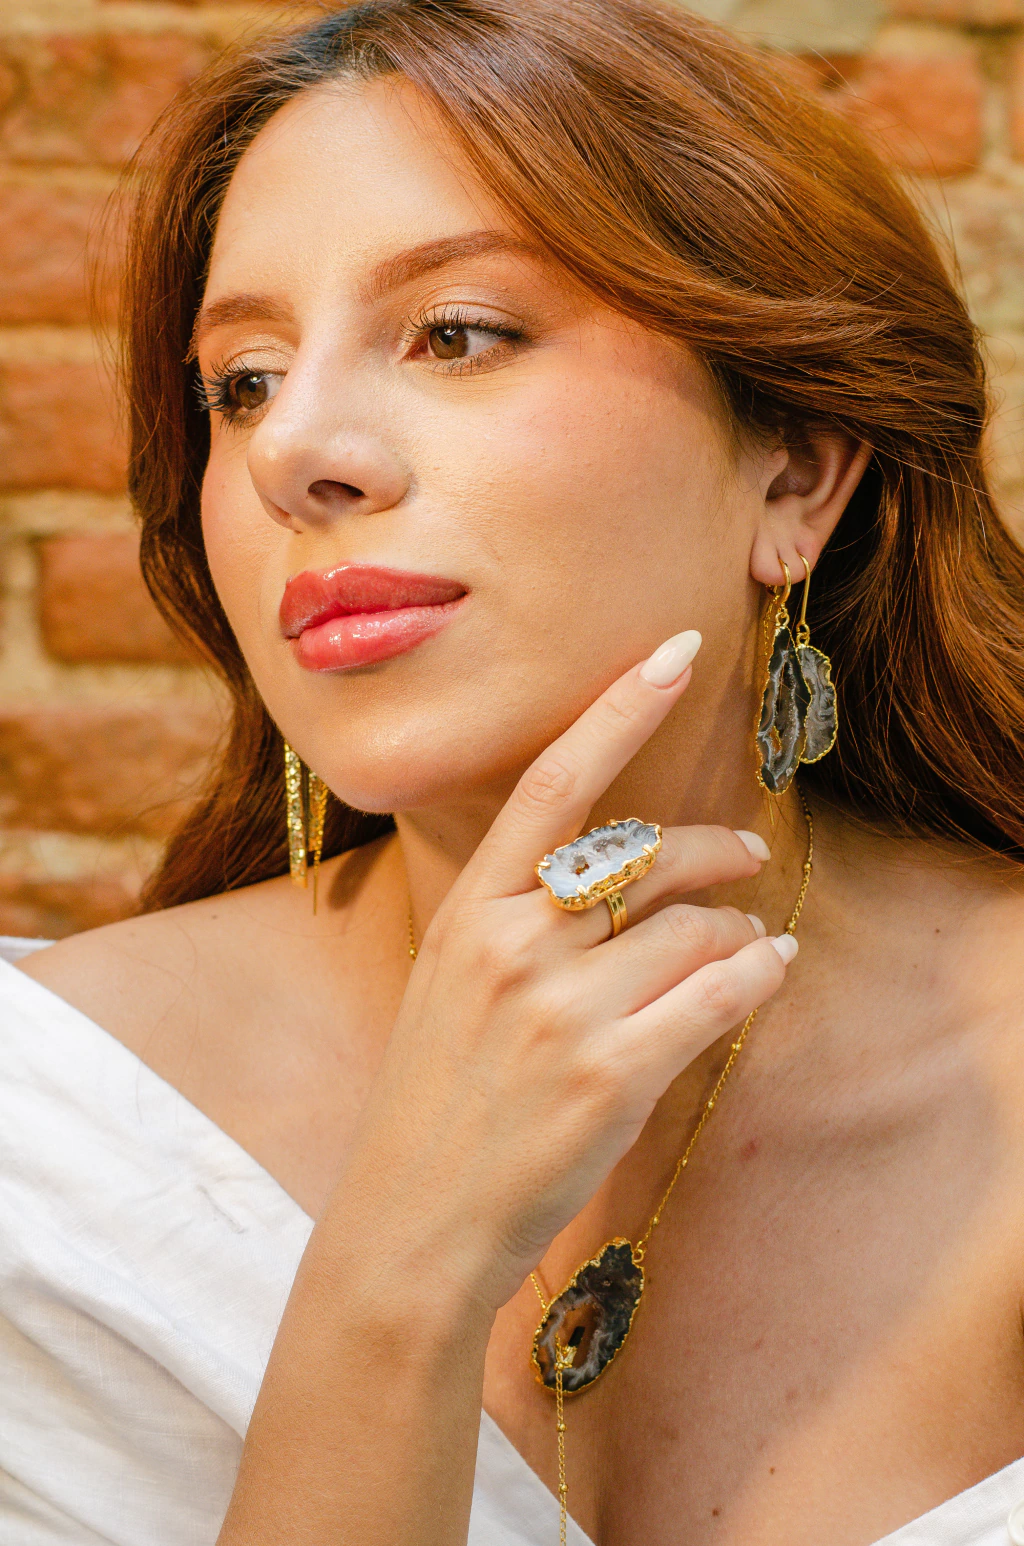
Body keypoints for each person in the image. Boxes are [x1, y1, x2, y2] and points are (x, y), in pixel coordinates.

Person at [2, 0, 1024, 1542]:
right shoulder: (53, 1134)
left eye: (458, 332)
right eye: (242, 382)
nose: (294, 453)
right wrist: (397, 1275)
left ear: (796, 469)